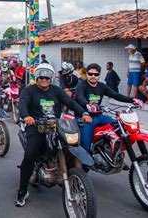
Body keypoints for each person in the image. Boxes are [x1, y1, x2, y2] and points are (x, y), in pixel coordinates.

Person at [16, 63, 91, 207]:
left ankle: (75, 178)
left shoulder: (57, 90)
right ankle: (22, 191)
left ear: (51, 78)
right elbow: (23, 103)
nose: (44, 79)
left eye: (47, 76)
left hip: (56, 125)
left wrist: (84, 113)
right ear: (37, 77)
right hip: (36, 126)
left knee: (72, 146)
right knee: (30, 154)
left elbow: (70, 102)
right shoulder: (29, 90)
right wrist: (26, 116)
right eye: (41, 76)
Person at [75, 63, 143, 153]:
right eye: (90, 74)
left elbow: (115, 95)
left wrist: (132, 100)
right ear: (86, 74)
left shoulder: (101, 86)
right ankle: (85, 166)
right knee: (86, 146)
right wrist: (87, 105)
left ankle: (116, 155)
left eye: (96, 74)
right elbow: (79, 95)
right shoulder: (82, 85)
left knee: (119, 126)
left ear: (99, 75)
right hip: (86, 118)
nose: (93, 76)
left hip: (99, 116)